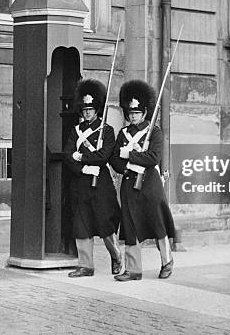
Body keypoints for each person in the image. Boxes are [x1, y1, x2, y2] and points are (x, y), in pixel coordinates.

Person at [110, 80, 175, 281]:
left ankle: (167, 260)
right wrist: (128, 165)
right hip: (130, 182)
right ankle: (133, 269)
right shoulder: (123, 133)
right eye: (130, 113)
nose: (133, 116)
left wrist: (130, 155)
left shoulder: (154, 132)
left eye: (136, 113)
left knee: (158, 224)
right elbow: (114, 159)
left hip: (150, 183)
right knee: (130, 226)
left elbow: (154, 157)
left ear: (144, 113)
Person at [63, 79, 122, 277]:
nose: (87, 112)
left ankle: (116, 257)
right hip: (81, 183)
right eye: (85, 109)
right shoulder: (76, 131)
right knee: (82, 224)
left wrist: (82, 157)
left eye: (91, 109)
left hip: (101, 184)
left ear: (97, 109)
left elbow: (103, 156)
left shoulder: (106, 131)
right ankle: (85, 265)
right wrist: (82, 170)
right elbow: (68, 155)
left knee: (105, 224)